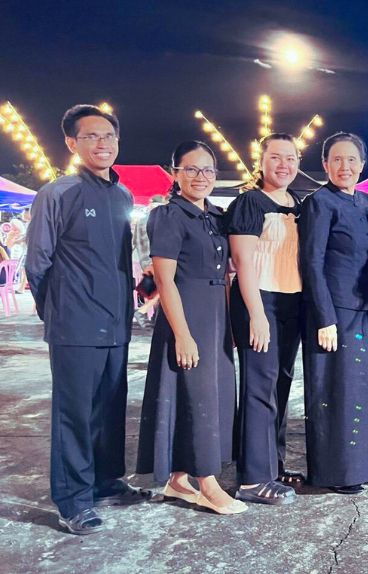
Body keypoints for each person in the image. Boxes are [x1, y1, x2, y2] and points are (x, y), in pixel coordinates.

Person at [26, 104, 151, 535]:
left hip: (116, 321)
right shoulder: (57, 194)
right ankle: (73, 500)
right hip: (74, 325)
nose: (103, 144)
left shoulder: (122, 195)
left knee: (110, 408)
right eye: (92, 136)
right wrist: (58, 311)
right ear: (71, 143)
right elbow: (37, 263)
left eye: (109, 136)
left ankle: (106, 481)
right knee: (74, 415)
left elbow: (120, 259)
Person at [136, 141, 245, 515]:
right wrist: (182, 334)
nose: (201, 177)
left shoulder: (216, 216)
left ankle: (178, 479)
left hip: (216, 315)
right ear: (175, 173)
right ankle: (208, 483)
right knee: (199, 398)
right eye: (192, 169)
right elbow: (164, 280)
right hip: (186, 313)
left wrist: (230, 323)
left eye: (208, 170)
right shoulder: (168, 216)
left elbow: (226, 274)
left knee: (213, 395)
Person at [223, 133, 305, 505]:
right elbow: (242, 263)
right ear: (261, 161)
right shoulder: (249, 202)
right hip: (260, 302)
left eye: (290, 158)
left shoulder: (298, 204)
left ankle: (274, 464)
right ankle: (253, 479)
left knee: (280, 386)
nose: (283, 165)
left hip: (292, 302)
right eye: (275, 157)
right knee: (259, 388)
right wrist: (256, 315)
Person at [299, 133, 368, 495]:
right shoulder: (319, 202)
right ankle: (336, 471)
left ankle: (361, 467)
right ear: (325, 164)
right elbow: (311, 262)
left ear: (362, 164)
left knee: (362, 391)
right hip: (336, 313)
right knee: (337, 392)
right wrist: (324, 318)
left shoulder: (367, 201)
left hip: (367, 310)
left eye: (351, 160)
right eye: (336, 159)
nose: (344, 167)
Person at [132, 194, 167, 328]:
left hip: (143, 260)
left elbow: (134, 241)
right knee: (164, 286)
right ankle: (144, 311)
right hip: (154, 259)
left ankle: (151, 315)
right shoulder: (159, 220)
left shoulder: (141, 220)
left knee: (157, 288)